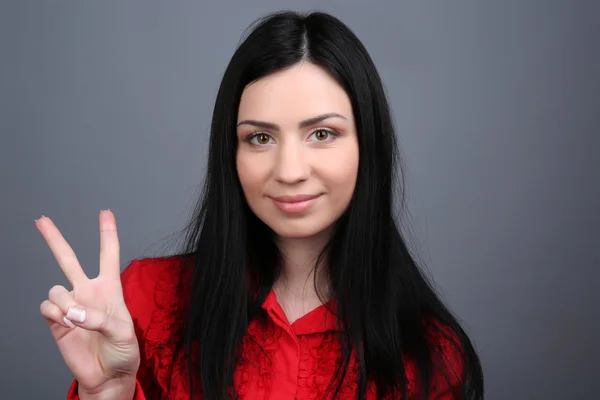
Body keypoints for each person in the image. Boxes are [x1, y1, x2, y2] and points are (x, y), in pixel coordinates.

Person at [37, 10, 484, 400]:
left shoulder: (431, 355)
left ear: (369, 144)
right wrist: (108, 394)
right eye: (260, 138)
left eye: (322, 134)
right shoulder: (143, 305)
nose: (290, 170)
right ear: (230, 153)